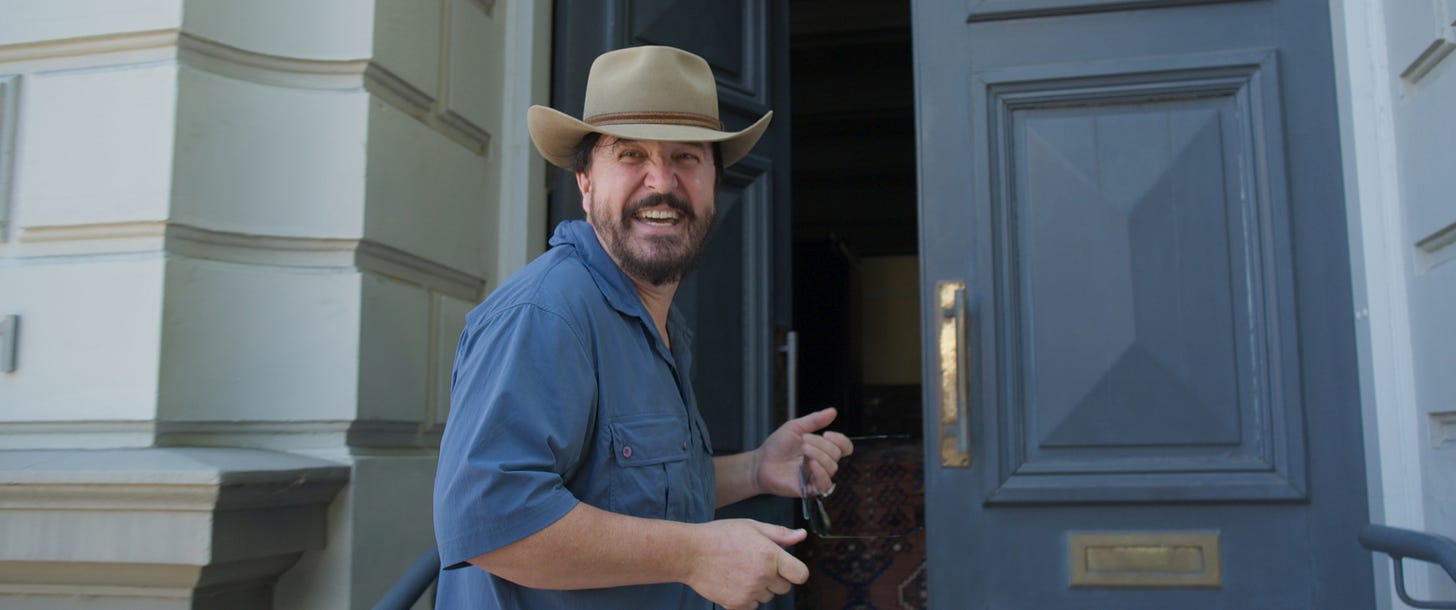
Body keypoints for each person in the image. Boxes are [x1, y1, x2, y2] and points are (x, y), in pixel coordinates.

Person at [433, 45, 855, 610]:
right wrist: (696, 555)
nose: (662, 181)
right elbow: (493, 520)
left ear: (714, 185)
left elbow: (638, 488)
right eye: (630, 154)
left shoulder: (660, 323)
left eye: (686, 157)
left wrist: (757, 469)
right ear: (584, 182)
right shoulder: (544, 314)